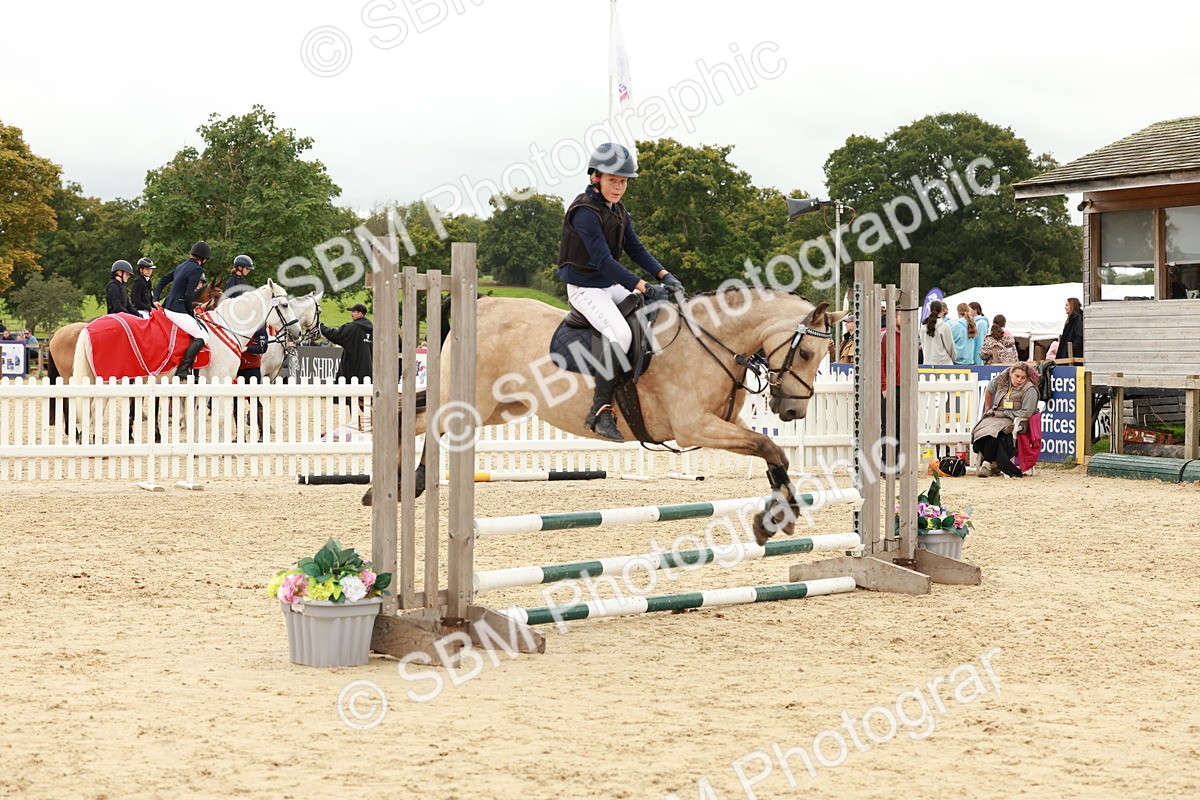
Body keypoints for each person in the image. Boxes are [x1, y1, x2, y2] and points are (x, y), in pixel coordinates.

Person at [557, 143, 682, 442]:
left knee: (652, 315)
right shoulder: (585, 212)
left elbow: (636, 249)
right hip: (585, 287)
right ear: (595, 178)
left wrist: (665, 275)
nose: (619, 186)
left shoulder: (619, 211)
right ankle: (599, 411)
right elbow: (603, 261)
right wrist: (644, 286)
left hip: (606, 285)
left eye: (623, 181)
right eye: (613, 180)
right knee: (621, 334)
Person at [971, 361, 1039, 478]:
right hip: (997, 415)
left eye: (1023, 378)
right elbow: (989, 390)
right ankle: (992, 463)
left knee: (995, 431)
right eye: (1017, 376)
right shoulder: (1001, 380)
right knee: (982, 428)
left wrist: (1006, 413)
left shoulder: (1030, 389)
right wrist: (988, 409)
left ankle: (987, 463)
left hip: (1017, 419)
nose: (1019, 380)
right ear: (1011, 373)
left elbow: (1027, 412)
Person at [155, 241, 212, 379]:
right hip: (177, 310)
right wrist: (190, 312)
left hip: (168, 305)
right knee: (203, 335)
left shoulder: (181, 265)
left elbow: (163, 280)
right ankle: (182, 369)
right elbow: (188, 294)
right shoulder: (197, 270)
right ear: (204, 259)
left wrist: (155, 298)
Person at [320, 303, 373, 405]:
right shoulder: (373, 329)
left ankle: (354, 418)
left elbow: (336, 335)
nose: (351, 314)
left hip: (353, 367)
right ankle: (368, 418)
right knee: (366, 399)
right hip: (369, 369)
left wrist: (321, 327)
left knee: (351, 396)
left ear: (360, 313)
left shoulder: (353, 328)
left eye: (354, 312)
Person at [235, 325, 269, 440]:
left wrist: (247, 349)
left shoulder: (259, 327)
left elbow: (263, 347)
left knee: (253, 399)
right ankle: (240, 434)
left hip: (252, 367)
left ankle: (263, 432)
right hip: (237, 367)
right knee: (236, 400)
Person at [920, 300, 955, 365]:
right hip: (944, 363)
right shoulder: (944, 326)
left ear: (930, 310)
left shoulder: (923, 326)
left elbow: (923, 344)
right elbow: (950, 346)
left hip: (928, 362)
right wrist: (953, 358)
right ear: (941, 310)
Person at [1057, 297, 1084, 362]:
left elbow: (1079, 337)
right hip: (1068, 355)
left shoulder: (1078, 319)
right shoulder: (1072, 319)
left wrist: (1068, 351)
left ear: (1072, 305)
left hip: (1072, 356)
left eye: (1067, 305)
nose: (1065, 307)